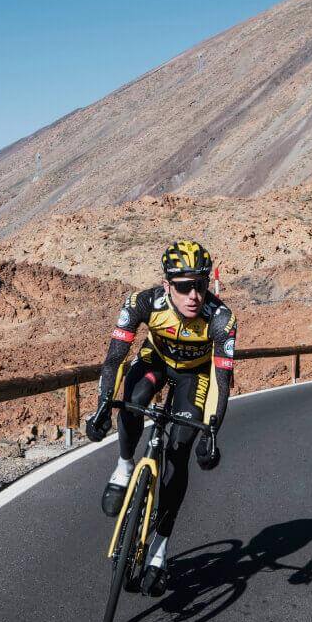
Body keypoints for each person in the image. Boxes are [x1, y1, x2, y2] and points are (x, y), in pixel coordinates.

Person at [85, 240, 237, 595]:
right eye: (183, 286)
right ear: (167, 285)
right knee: (134, 399)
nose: (194, 295)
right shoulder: (142, 302)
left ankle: (159, 549)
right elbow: (114, 360)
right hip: (155, 361)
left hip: (194, 377)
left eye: (200, 284)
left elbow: (221, 381)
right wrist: (103, 407)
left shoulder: (221, 319)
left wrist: (211, 431)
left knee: (181, 449)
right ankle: (124, 467)